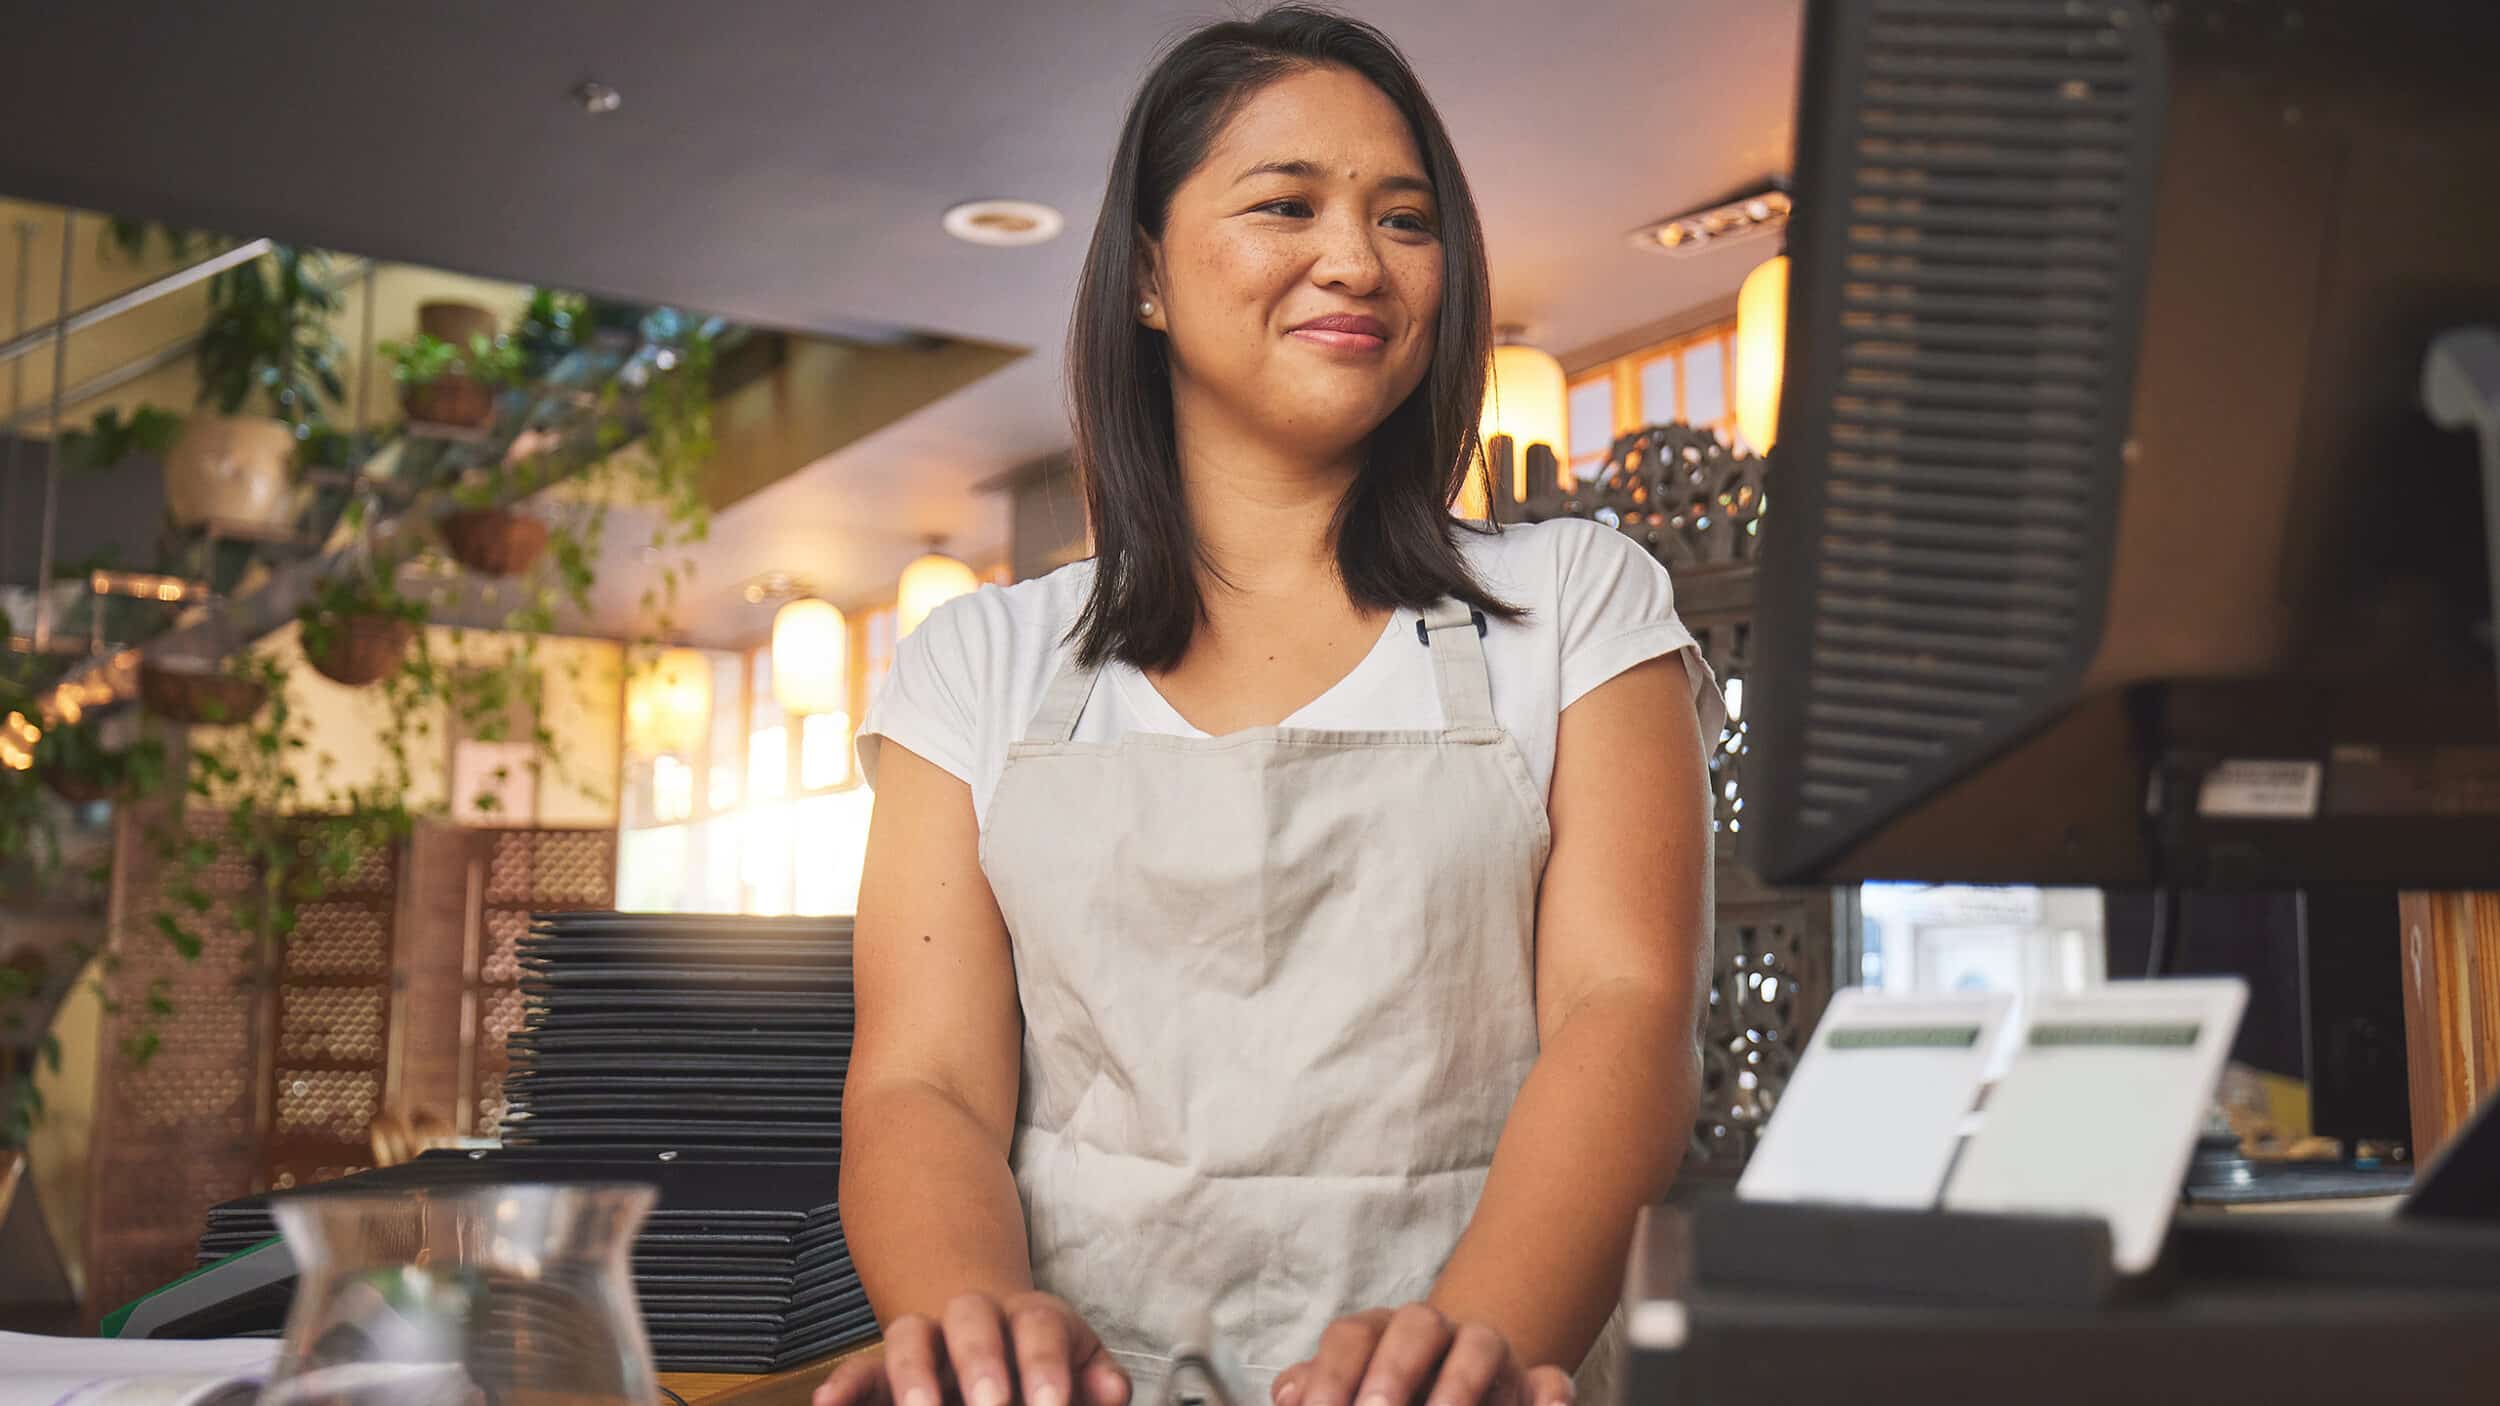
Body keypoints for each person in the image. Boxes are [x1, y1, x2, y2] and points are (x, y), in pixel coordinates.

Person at [819, 8, 1721, 1406]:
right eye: (1286, 204)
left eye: (1406, 218)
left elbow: (1628, 1009)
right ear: (1147, 278)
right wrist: (978, 1329)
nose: (1356, 259)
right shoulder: (975, 664)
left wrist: (1456, 1354)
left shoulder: (1578, 606)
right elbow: (923, 1083)